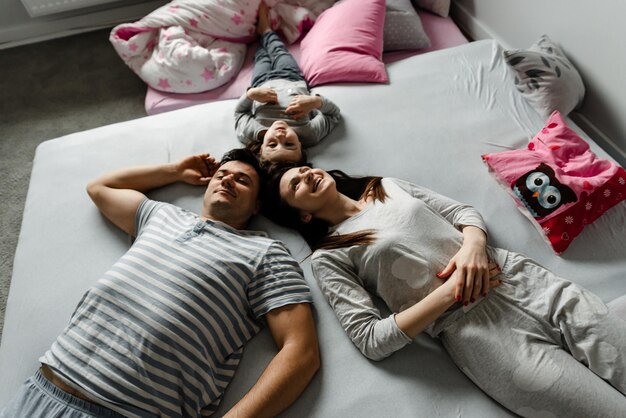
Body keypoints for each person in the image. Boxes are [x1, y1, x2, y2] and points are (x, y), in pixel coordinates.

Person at [263, 163, 626, 417]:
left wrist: (472, 248)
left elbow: (463, 212)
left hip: (522, 280)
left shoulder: (386, 186)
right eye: (295, 185)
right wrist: (450, 290)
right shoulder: (330, 256)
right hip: (482, 337)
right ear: (302, 216)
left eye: (304, 169)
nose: (307, 174)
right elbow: (370, 338)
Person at [0, 149, 319, 418]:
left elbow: (301, 353)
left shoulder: (265, 253)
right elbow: (100, 187)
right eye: (222, 173)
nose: (227, 179)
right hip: (40, 390)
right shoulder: (162, 216)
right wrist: (176, 171)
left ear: (257, 206)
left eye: (242, 180)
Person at [234, 2, 341, 166]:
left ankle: (262, 33)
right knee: (279, 51)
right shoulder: (309, 134)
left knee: (261, 56)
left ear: (261, 149)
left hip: (261, 81)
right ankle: (266, 30)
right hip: (291, 77)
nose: (280, 136)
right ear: (301, 147)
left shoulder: (252, 133)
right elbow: (333, 115)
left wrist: (250, 95)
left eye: (272, 144)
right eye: (289, 144)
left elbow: (240, 113)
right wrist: (315, 102)